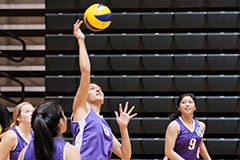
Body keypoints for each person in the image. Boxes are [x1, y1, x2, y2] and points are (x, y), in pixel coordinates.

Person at [71, 19, 137, 160]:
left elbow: (126, 155)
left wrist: (123, 128)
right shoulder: (81, 110)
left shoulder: (103, 125)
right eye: (92, 88)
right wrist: (81, 40)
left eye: (99, 88)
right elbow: (85, 72)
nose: (97, 89)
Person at [164, 93, 211, 160]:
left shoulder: (201, 126)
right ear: (179, 108)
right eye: (183, 102)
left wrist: (208, 158)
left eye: (190, 102)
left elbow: (200, 144)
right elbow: (168, 152)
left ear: (195, 107)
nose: (187, 104)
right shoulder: (174, 126)